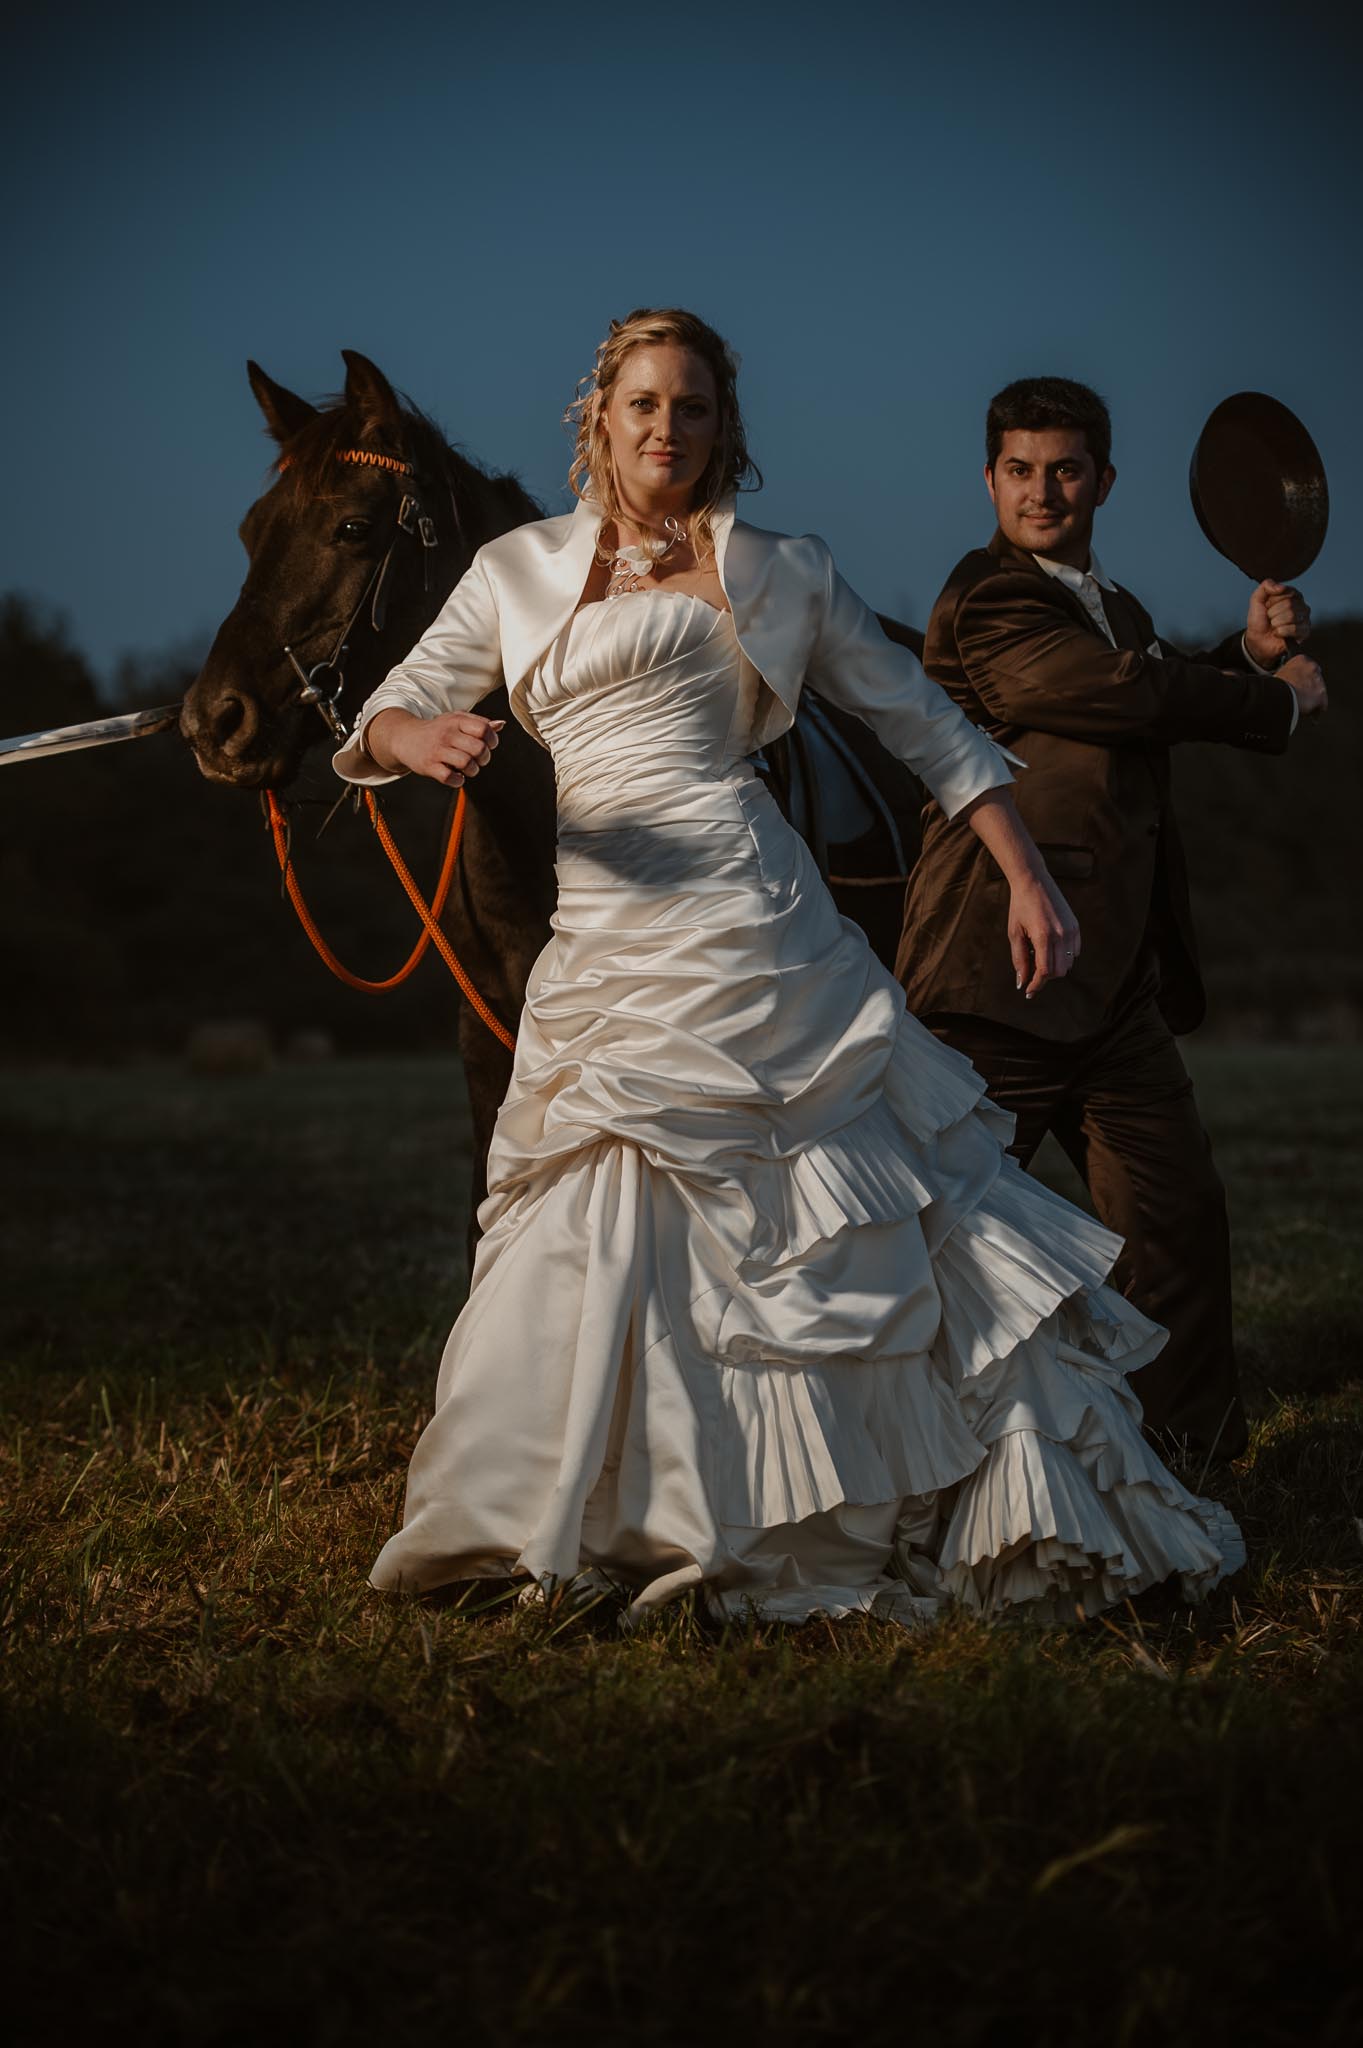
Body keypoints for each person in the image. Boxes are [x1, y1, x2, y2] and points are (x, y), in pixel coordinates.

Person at [333, 312, 1244, 1627]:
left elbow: (925, 728)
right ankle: (599, 1512)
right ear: (598, 416)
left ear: (722, 429)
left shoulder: (777, 570)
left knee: (829, 1232)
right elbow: (385, 710)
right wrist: (420, 742)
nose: (664, 427)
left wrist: (1029, 878)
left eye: (690, 406)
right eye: (641, 402)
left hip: (761, 933)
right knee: (599, 1227)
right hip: (603, 951)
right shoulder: (514, 572)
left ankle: (847, 1507)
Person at [898, 377, 1327, 1463]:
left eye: (1066, 468)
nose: (1043, 490)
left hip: (1118, 978)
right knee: (945, 1231)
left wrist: (1245, 657)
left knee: (1177, 1216)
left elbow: (1144, 682)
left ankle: (1185, 1457)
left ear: (1103, 479)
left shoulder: (1114, 606)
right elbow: (1118, 695)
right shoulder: (985, 600)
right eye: (1019, 469)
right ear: (988, 479)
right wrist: (1274, 703)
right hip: (1003, 964)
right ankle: (914, 1458)